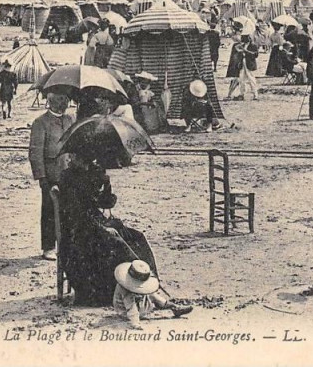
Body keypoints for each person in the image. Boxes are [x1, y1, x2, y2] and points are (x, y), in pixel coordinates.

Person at [59, 155, 159, 306]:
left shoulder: (95, 172)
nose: (75, 159)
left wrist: (106, 187)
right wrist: (104, 228)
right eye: (75, 156)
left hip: (98, 223)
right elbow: (76, 213)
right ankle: (133, 289)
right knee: (117, 243)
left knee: (136, 237)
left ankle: (148, 284)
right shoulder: (68, 177)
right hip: (78, 230)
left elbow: (105, 203)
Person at [29, 92, 75, 261]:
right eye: (61, 98)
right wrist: (42, 177)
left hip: (69, 173)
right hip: (51, 175)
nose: (65, 102)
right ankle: (48, 247)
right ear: (50, 100)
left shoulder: (70, 120)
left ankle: (66, 246)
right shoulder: (41, 123)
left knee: (69, 210)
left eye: (66, 98)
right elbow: (35, 152)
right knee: (49, 211)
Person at [113, 260, 193, 329]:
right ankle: (171, 307)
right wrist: (135, 324)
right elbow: (131, 307)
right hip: (125, 312)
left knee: (151, 294)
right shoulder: (125, 288)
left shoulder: (132, 282)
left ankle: (174, 307)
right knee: (148, 296)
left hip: (138, 305)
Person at [238, 35, 259, 101]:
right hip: (243, 62)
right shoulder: (243, 45)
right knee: (241, 79)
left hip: (249, 63)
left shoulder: (253, 46)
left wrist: (246, 51)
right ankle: (242, 94)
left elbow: (255, 55)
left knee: (251, 79)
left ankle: (255, 94)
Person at [225, 35, 244, 99]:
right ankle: (230, 94)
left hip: (235, 64)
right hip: (237, 65)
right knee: (236, 80)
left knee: (235, 80)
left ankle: (230, 94)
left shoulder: (235, 45)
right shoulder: (238, 46)